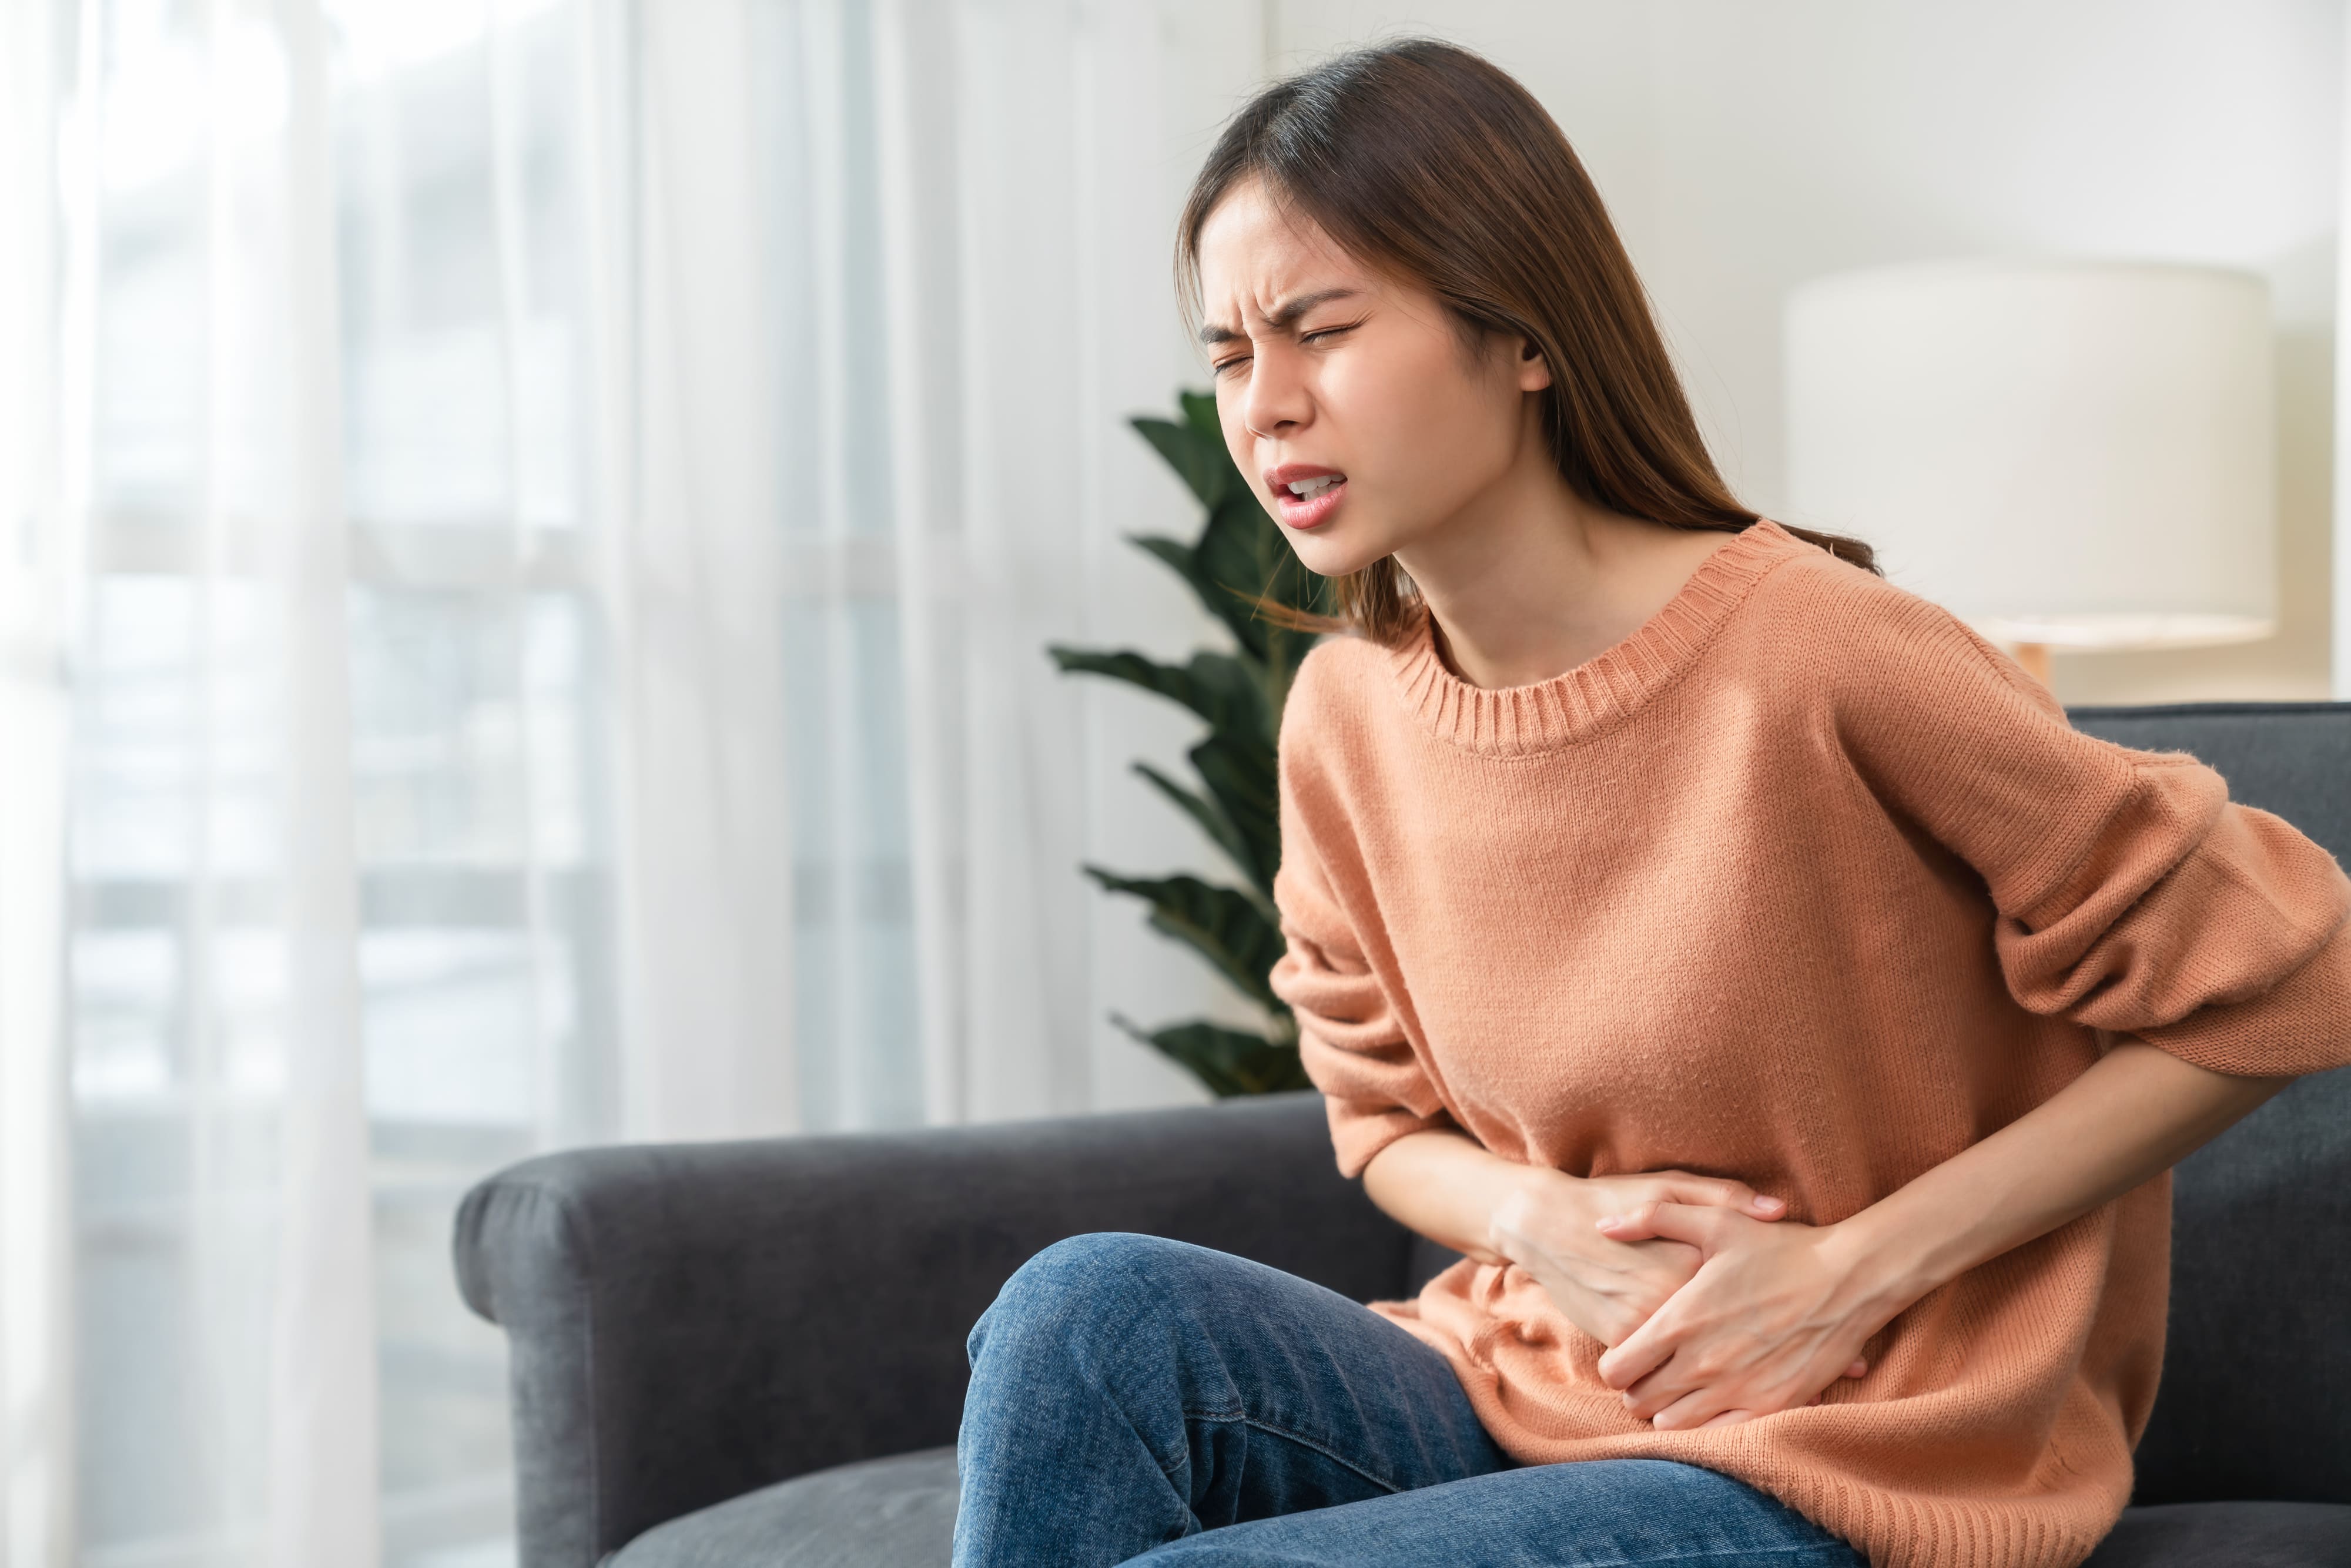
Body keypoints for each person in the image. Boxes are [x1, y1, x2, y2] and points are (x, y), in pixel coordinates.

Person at [949, 36, 2351, 1568]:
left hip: (1834, 1455)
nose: (1266, 405)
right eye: (1229, 352)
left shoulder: (1819, 651)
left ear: (1525, 333)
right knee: (1085, 1313)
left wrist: (1848, 1275)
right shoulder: (1345, 720)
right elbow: (1378, 1122)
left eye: (1321, 328)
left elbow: (2294, 976)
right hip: (1521, 1385)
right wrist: (1539, 1222)